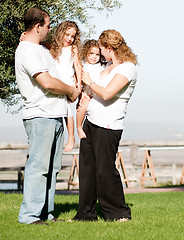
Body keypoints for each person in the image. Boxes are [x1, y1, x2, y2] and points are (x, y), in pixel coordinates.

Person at [15, 8, 80, 225]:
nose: (50, 28)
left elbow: (57, 65)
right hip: (40, 116)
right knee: (39, 168)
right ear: (37, 27)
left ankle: (46, 214)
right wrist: (71, 91)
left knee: (52, 170)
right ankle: (29, 216)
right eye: (48, 25)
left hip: (55, 116)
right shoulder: (28, 50)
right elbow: (47, 82)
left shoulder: (40, 49)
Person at [72, 29, 137, 222]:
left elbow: (108, 93)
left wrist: (89, 82)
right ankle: (85, 214)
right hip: (90, 123)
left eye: (101, 48)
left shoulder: (127, 68)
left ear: (109, 47)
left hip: (108, 126)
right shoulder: (107, 66)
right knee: (87, 169)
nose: (100, 52)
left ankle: (119, 213)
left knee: (104, 170)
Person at [49, 21, 82, 152]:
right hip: (56, 82)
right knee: (56, 108)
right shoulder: (53, 47)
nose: (69, 38)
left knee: (68, 111)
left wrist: (78, 84)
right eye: (67, 34)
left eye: (72, 36)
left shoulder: (73, 49)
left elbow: (78, 66)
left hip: (68, 83)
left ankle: (71, 137)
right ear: (60, 33)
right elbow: (38, 44)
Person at [76, 40, 105, 139]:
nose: (94, 56)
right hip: (87, 93)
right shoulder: (84, 66)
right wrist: (81, 94)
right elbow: (79, 81)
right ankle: (79, 127)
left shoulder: (101, 67)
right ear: (86, 53)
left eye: (97, 54)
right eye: (91, 53)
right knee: (83, 107)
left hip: (97, 94)